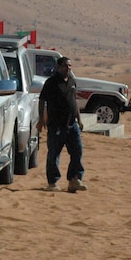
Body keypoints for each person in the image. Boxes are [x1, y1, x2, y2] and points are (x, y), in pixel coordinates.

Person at [36, 56, 87, 193]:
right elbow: (42, 100)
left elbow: (74, 101)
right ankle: (52, 182)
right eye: (65, 66)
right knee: (54, 154)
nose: (68, 68)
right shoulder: (51, 82)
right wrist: (41, 119)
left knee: (77, 151)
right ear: (58, 67)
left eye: (70, 66)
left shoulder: (71, 81)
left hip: (72, 125)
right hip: (56, 126)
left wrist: (79, 119)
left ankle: (74, 179)